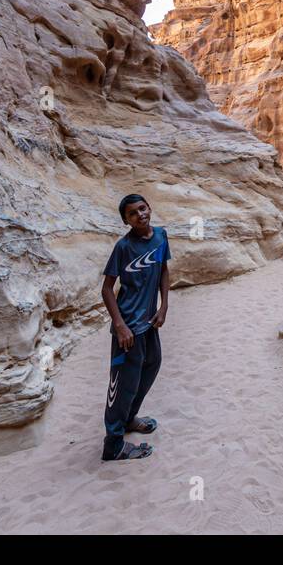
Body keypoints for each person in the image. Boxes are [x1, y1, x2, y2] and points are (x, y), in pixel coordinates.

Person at [99, 193, 170, 461]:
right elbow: (107, 289)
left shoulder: (161, 236)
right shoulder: (124, 247)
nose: (140, 214)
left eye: (142, 208)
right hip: (127, 329)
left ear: (149, 207)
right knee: (122, 384)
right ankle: (113, 445)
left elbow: (163, 269)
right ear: (126, 221)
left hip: (149, 324)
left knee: (151, 366)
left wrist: (163, 307)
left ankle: (129, 419)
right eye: (132, 213)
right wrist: (119, 325)